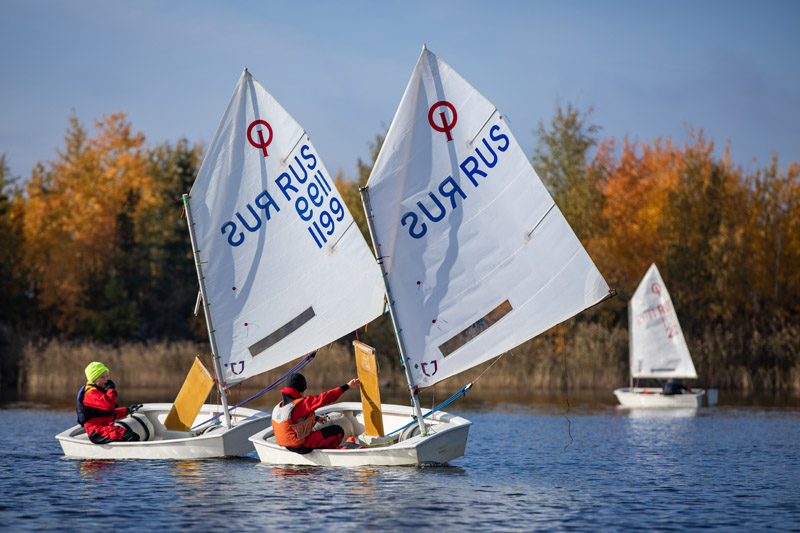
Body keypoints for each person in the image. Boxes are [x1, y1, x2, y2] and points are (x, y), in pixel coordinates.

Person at [271, 372, 360, 454]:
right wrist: (347, 386)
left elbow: (294, 421)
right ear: (300, 390)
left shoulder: (278, 407)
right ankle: (334, 452)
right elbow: (326, 398)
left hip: (287, 446)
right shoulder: (302, 404)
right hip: (302, 447)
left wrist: (317, 418)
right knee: (338, 431)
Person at [76, 362, 142, 444]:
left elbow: (109, 413)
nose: (106, 379)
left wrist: (127, 410)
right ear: (93, 380)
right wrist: (111, 389)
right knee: (132, 437)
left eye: (107, 376)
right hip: (97, 432)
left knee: (133, 436)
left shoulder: (99, 392)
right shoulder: (91, 394)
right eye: (102, 377)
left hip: (105, 429)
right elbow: (109, 406)